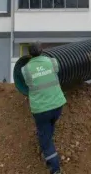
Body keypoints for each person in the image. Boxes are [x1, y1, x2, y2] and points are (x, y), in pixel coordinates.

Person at [21, 42, 67, 174]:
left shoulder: (25, 69)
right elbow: (56, 70)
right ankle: (48, 148)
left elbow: (28, 83)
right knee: (49, 127)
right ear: (42, 51)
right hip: (57, 105)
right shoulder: (52, 62)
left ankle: (55, 168)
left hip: (41, 109)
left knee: (45, 139)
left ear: (29, 54)